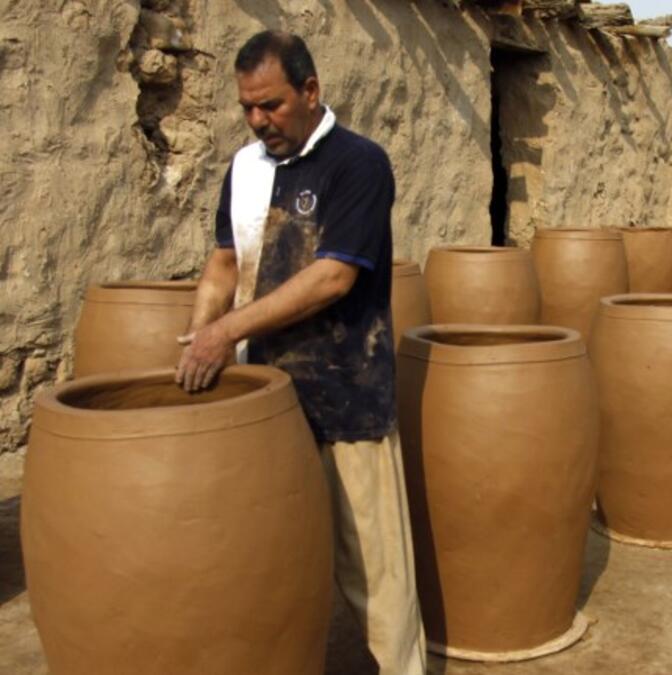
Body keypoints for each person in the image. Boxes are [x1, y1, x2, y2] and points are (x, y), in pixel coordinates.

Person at [174, 30, 426, 674]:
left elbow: (334, 276)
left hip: (349, 399)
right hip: (270, 404)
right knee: (277, 563)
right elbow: (225, 263)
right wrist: (199, 334)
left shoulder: (359, 163)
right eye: (247, 109)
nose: (259, 121)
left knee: (376, 572)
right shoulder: (245, 169)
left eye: (272, 105)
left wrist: (227, 332)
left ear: (310, 91)